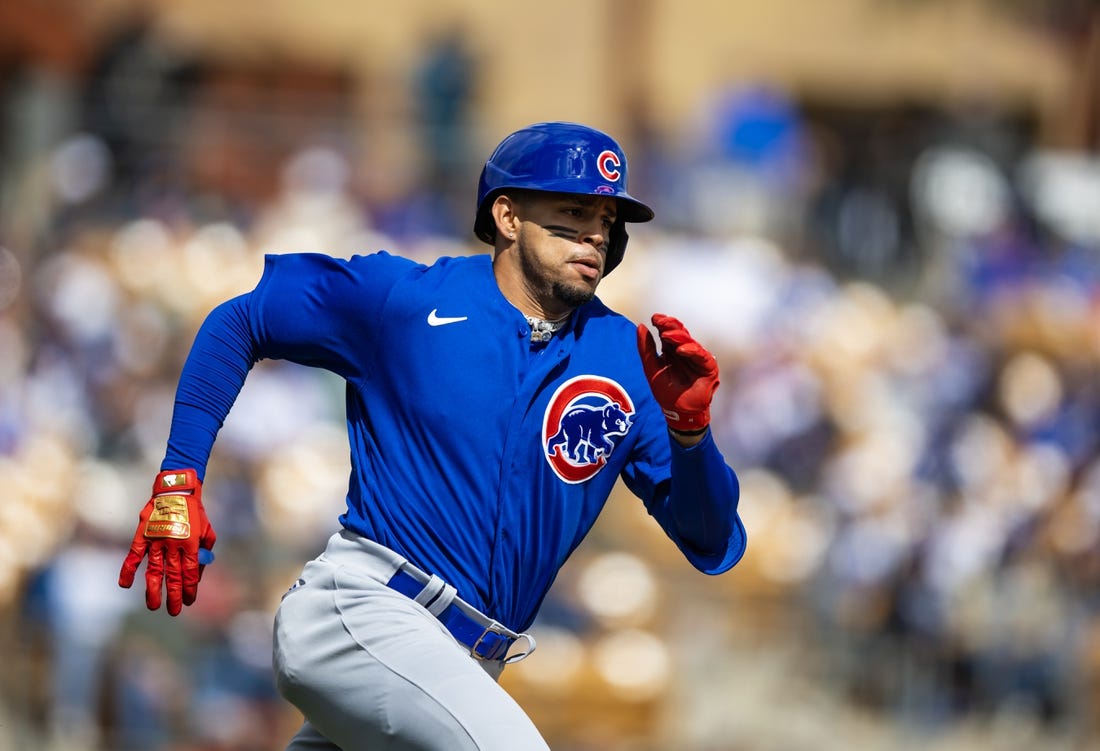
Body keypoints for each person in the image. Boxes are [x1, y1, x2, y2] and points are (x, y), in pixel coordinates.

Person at [118, 121, 747, 750]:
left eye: (608, 221)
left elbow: (713, 541)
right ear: (507, 216)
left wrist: (691, 434)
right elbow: (243, 319)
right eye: (572, 212)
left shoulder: (627, 360)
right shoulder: (408, 301)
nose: (594, 235)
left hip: (463, 667)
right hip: (365, 611)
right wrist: (179, 476)